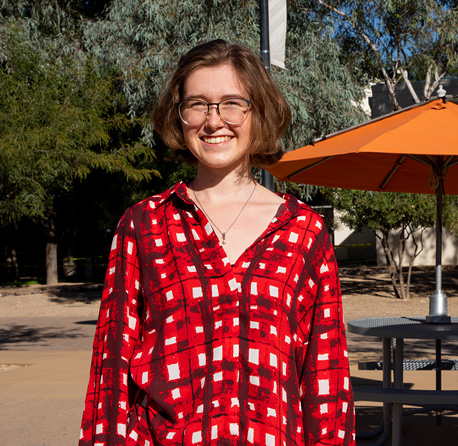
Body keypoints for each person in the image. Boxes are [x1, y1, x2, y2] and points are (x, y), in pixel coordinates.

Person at [79, 39, 355, 446]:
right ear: (179, 115)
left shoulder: (304, 233)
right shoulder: (144, 224)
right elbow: (112, 364)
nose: (213, 121)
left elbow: (325, 379)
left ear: (258, 111)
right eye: (197, 104)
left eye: (231, 103)